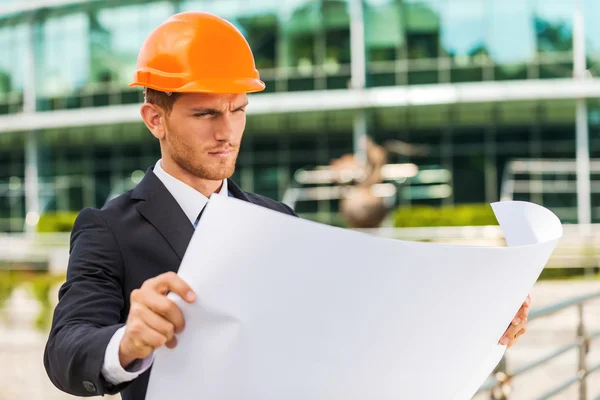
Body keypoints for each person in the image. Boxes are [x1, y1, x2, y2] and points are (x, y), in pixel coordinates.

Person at [43, 11, 531, 400]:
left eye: (238, 110)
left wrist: (480, 318)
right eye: (206, 113)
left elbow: (360, 318)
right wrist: (128, 342)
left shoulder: (277, 220)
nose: (227, 132)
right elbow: (65, 351)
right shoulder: (109, 228)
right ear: (155, 118)